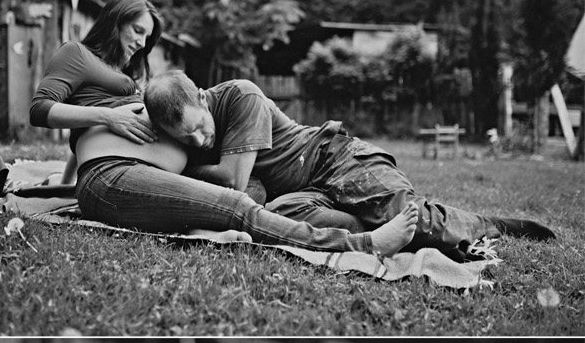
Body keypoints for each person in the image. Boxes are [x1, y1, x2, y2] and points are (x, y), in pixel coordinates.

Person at [28, 0, 417, 257]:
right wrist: (109, 118)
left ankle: (330, 220)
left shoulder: (128, 76)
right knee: (238, 204)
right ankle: (361, 245)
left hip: (134, 174)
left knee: (252, 191)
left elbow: (76, 145)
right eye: (137, 31)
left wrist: (65, 180)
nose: (143, 43)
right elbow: (43, 109)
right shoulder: (75, 54)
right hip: (114, 174)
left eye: (148, 37)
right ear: (115, 21)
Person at [142, 70, 554, 265]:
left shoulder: (239, 96)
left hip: (335, 158)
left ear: (201, 96)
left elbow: (234, 181)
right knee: (277, 220)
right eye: (185, 139)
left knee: (408, 217)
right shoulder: (181, 134)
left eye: (199, 128)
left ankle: (491, 225)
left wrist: (184, 173)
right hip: (301, 196)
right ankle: (383, 238)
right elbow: (251, 196)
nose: (199, 142)